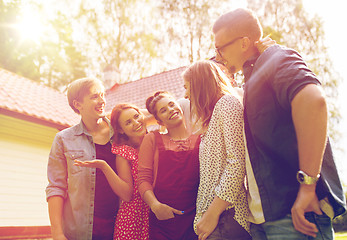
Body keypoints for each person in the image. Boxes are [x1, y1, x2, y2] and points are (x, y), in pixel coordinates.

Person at [212, 8, 346, 239]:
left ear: (244, 43)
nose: (218, 55)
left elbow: (314, 102)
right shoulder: (253, 77)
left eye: (220, 47)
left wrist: (308, 186)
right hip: (264, 218)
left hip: (294, 214)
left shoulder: (276, 57)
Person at [45, 77, 126, 240]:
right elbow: (56, 187)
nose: (102, 100)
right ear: (77, 104)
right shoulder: (63, 139)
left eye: (103, 95)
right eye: (94, 96)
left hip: (120, 229)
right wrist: (57, 233)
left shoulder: (121, 133)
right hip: (79, 232)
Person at [182, 60, 251, 240]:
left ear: (200, 85)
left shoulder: (227, 104)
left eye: (187, 87)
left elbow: (237, 163)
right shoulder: (211, 118)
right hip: (215, 220)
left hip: (227, 217)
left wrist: (213, 214)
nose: (186, 95)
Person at [74, 103, 150, 240]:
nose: (136, 123)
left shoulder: (157, 142)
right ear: (120, 130)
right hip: (132, 221)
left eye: (137, 116)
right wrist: (104, 166)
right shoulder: (124, 153)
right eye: (128, 122)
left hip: (156, 215)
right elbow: (127, 195)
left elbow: (159, 111)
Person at [138, 91, 201, 240]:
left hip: (196, 219)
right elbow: (143, 180)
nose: (171, 110)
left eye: (172, 104)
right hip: (162, 221)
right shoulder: (152, 139)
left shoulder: (201, 138)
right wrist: (155, 206)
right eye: (163, 110)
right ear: (159, 121)